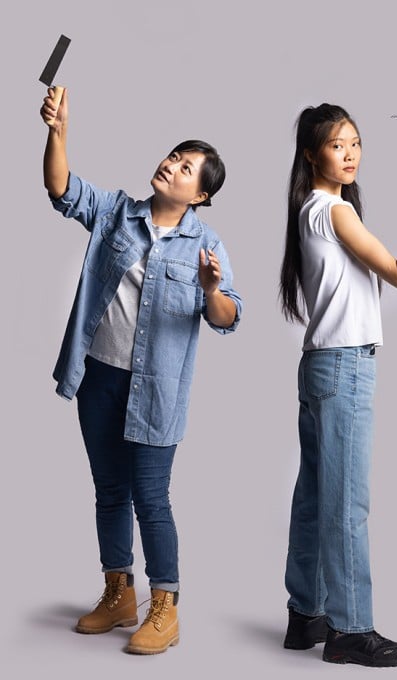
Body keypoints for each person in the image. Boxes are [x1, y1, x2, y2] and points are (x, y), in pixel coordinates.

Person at [40, 88, 242, 655]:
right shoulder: (116, 213)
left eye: (185, 167)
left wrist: (209, 290)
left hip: (156, 391)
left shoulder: (207, 244)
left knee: (152, 497)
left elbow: (229, 316)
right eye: (173, 156)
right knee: (109, 492)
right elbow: (61, 189)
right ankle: (118, 593)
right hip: (100, 377)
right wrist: (58, 131)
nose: (170, 165)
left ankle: (166, 607)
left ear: (200, 194)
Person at [278, 103, 397, 668]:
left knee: (317, 493)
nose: (349, 154)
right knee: (347, 502)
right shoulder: (335, 211)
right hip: (344, 365)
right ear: (310, 153)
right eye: (336, 144)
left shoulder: (310, 209)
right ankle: (350, 628)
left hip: (321, 362)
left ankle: (306, 614)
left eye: (355, 143)